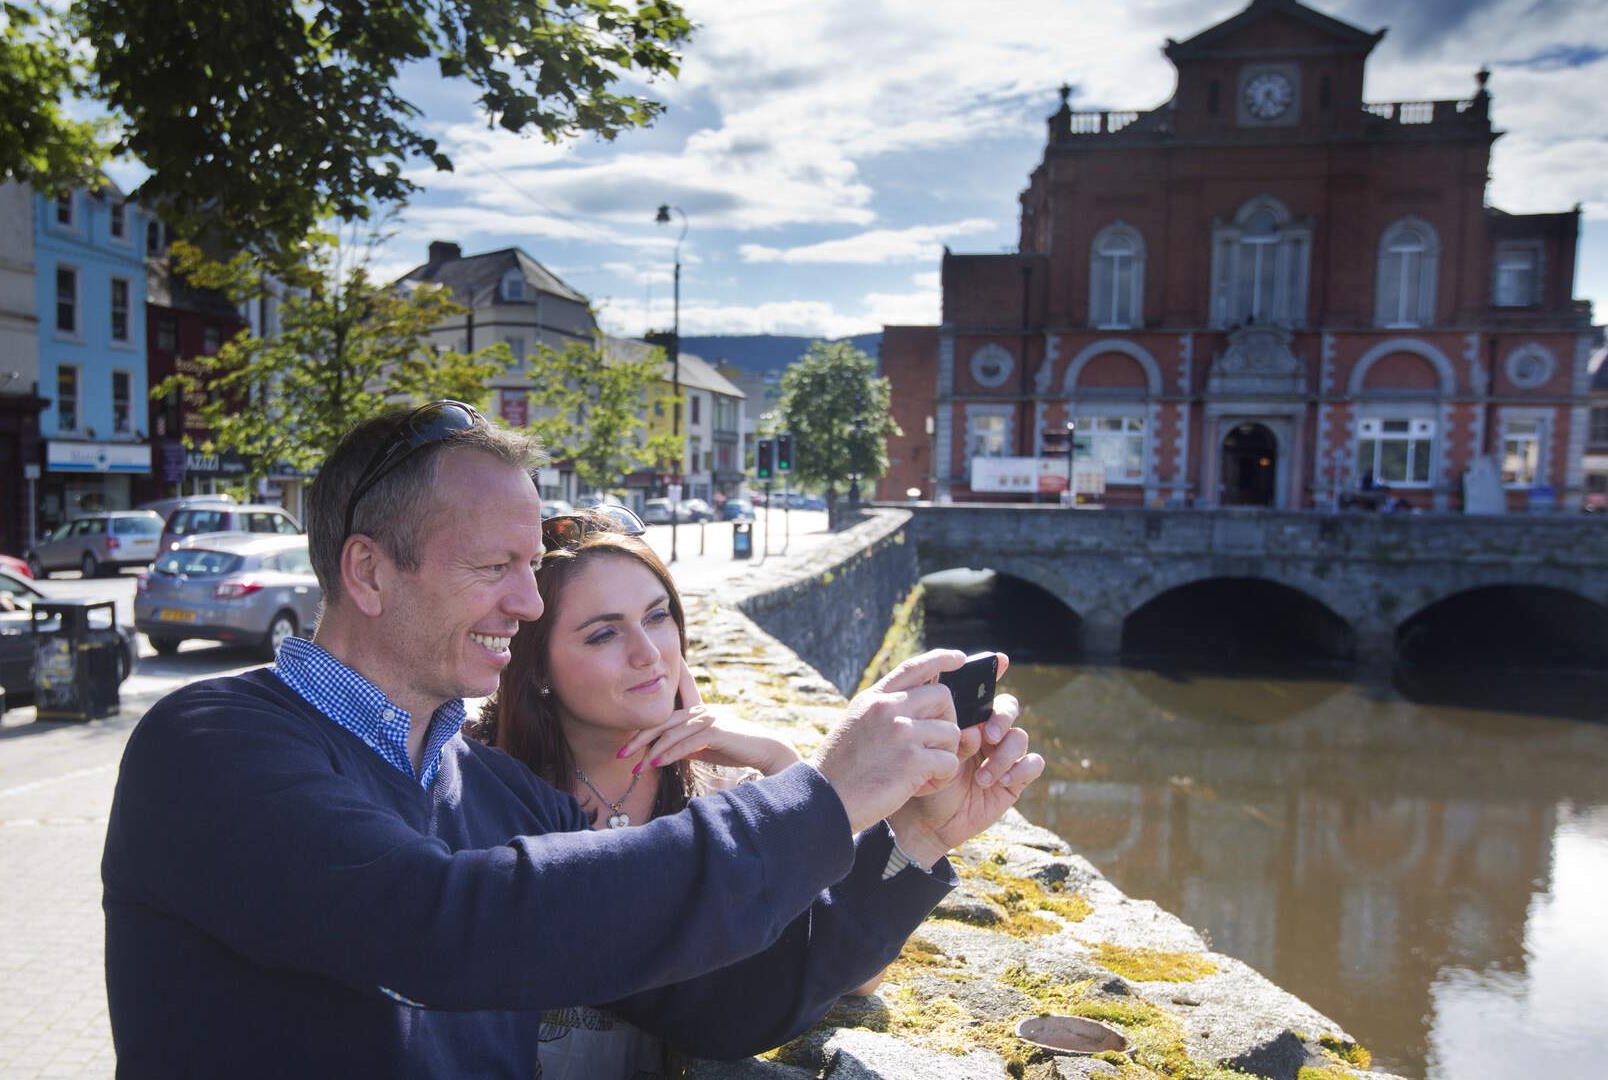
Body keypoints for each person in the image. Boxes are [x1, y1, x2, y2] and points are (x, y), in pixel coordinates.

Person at [101, 401, 1044, 1077]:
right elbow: (441, 929)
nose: (526, 600)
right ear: (369, 572)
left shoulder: (502, 792)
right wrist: (824, 795)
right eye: (496, 567)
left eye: (531, 568)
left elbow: (719, 1006)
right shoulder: (210, 743)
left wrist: (914, 835)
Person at [472, 510, 925, 1078]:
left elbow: (858, 975)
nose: (649, 653)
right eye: (604, 633)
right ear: (536, 665)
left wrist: (786, 765)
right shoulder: (481, 787)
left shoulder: (728, 791)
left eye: (658, 617)